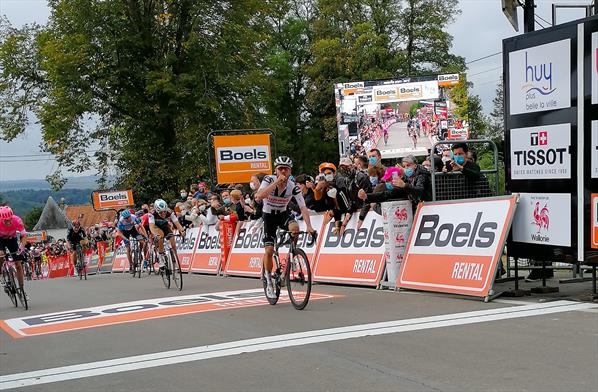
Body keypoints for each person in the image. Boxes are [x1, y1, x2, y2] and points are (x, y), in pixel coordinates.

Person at [254, 156, 316, 299]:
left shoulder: (293, 186)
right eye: (280, 168)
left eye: (286, 169)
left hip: (282, 214)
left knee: (295, 229)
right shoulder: (269, 180)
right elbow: (259, 196)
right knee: (269, 250)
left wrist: (309, 226)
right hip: (268, 216)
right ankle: (268, 279)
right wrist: (276, 182)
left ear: (290, 171)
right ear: (275, 170)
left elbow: (303, 207)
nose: (283, 171)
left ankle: (291, 257)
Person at [148, 199, 186, 270]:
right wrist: (155, 234)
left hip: (164, 225)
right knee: (160, 236)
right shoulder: (151, 214)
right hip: (156, 226)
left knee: (172, 240)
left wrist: (182, 231)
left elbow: (177, 223)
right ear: (156, 210)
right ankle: (161, 257)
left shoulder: (170, 212)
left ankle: (175, 259)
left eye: (165, 212)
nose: (163, 214)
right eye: (161, 212)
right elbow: (151, 227)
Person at [0, 206, 28, 297]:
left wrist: (22, 246)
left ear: (12, 217)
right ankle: (2, 272)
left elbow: (24, 236)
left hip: (12, 239)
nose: (8, 222)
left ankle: (22, 290)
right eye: (5, 220)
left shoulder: (17, 220)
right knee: (1, 254)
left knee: (18, 265)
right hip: (1, 239)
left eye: (9, 220)